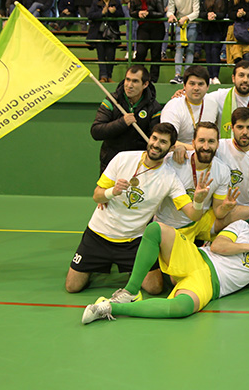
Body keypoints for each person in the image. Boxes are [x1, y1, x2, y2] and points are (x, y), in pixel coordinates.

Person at [81, 199, 249, 324]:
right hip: (198, 257)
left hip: (210, 284)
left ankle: (112, 307)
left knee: (183, 307)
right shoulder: (241, 228)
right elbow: (218, 246)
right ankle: (130, 291)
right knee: (155, 230)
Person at [66, 123, 193, 295]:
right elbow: (97, 195)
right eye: (154, 138)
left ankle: (125, 266)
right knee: (72, 287)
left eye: (163, 142)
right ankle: (100, 265)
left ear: (171, 147)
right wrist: (113, 191)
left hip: (133, 240)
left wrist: (199, 200)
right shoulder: (122, 158)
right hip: (98, 234)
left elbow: (192, 212)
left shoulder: (170, 178)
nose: (156, 144)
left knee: (155, 288)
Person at [158, 121, 249, 237]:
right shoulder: (173, 161)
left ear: (217, 144)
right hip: (171, 225)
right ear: (193, 143)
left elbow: (218, 211)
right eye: (201, 140)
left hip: (200, 222)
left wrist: (225, 207)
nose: (206, 147)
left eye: (211, 141)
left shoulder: (222, 170)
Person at [90, 65, 162, 173]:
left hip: (139, 167)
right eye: (127, 80)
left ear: (145, 84)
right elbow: (96, 132)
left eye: (135, 81)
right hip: (111, 164)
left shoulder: (154, 108)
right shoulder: (112, 100)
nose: (129, 85)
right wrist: (122, 122)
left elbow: (153, 139)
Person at [160, 65, 218, 155]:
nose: (196, 88)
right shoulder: (173, 106)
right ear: (184, 86)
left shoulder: (213, 102)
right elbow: (166, 139)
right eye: (192, 84)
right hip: (179, 155)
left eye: (201, 84)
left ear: (208, 87)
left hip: (206, 153)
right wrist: (196, 149)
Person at [130, 0, 165, 83]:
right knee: (140, 52)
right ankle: (138, 77)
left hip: (157, 28)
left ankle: (153, 79)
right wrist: (138, 13)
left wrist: (148, 13)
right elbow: (131, 12)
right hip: (143, 28)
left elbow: (161, 13)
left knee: (155, 54)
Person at [166, 0, 201, 84]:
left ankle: (187, 75)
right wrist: (171, 16)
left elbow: (196, 12)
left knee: (190, 48)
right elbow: (170, 10)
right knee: (179, 48)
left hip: (192, 22)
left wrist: (186, 18)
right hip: (179, 24)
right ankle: (177, 75)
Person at [86, 0, 121, 83]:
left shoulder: (116, 3)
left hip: (112, 34)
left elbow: (121, 15)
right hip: (99, 33)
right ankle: (103, 76)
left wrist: (114, 12)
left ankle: (109, 76)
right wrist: (102, 13)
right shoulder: (96, 3)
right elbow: (90, 15)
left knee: (111, 56)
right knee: (101, 56)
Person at [200, 0, 228, 85]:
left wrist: (215, 15)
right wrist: (207, 15)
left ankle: (215, 76)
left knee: (215, 52)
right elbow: (201, 13)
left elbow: (224, 13)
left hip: (218, 30)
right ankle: (209, 77)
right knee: (208, 53)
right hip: (207, 29)